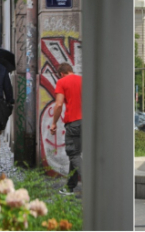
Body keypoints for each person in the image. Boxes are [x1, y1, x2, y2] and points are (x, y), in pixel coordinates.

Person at [49, 63, 82, 196]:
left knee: (73, 155)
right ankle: (70, 187)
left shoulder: (62, 82)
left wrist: (53, 123)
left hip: (73, 123)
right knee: (75, 155)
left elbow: (58, 105)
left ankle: (92, 184)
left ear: (61, 73)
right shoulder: (83, 80)